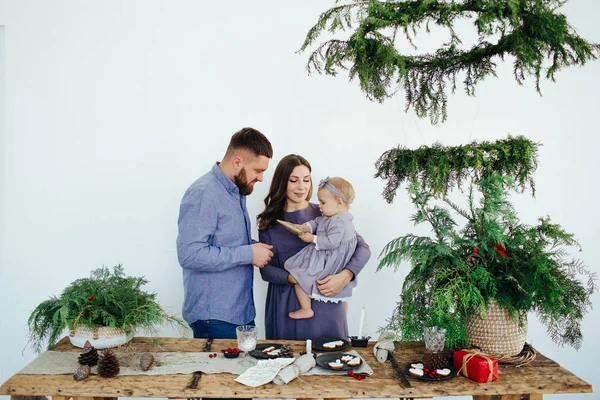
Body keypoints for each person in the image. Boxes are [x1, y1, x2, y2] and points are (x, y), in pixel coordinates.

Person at [257, 154, 371, 341]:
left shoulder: (326, 212)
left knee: (331, 363)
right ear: (281, 182)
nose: (301, 187)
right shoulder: (269, 222)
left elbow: (362, 248)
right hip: (285, 307)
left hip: (325, 300)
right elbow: (265, 270)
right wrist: (294, 278)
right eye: (294, 180)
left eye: (306, 180)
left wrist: (345, 276)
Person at [176, 127, 274, 340]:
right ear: (237, 162)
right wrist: (249, 253)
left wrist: (259, 248)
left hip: (240, 314)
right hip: (215, 319)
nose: (261, 178)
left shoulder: (236, 191)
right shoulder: (204, 193)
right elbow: (190, 254)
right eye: (257, 170)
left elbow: (229, 242)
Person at [284, 176, 358, 320]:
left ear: (339, 202)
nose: (319, 206)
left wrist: (312, 238)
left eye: (323, 202)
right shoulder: (332, 215)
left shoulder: (339, 222)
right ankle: (341, 314)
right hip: (330, 257)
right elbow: (318, 222)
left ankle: (306, 308)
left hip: (329, 260)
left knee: (299, 274)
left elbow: (332, 243)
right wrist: (306, 227)